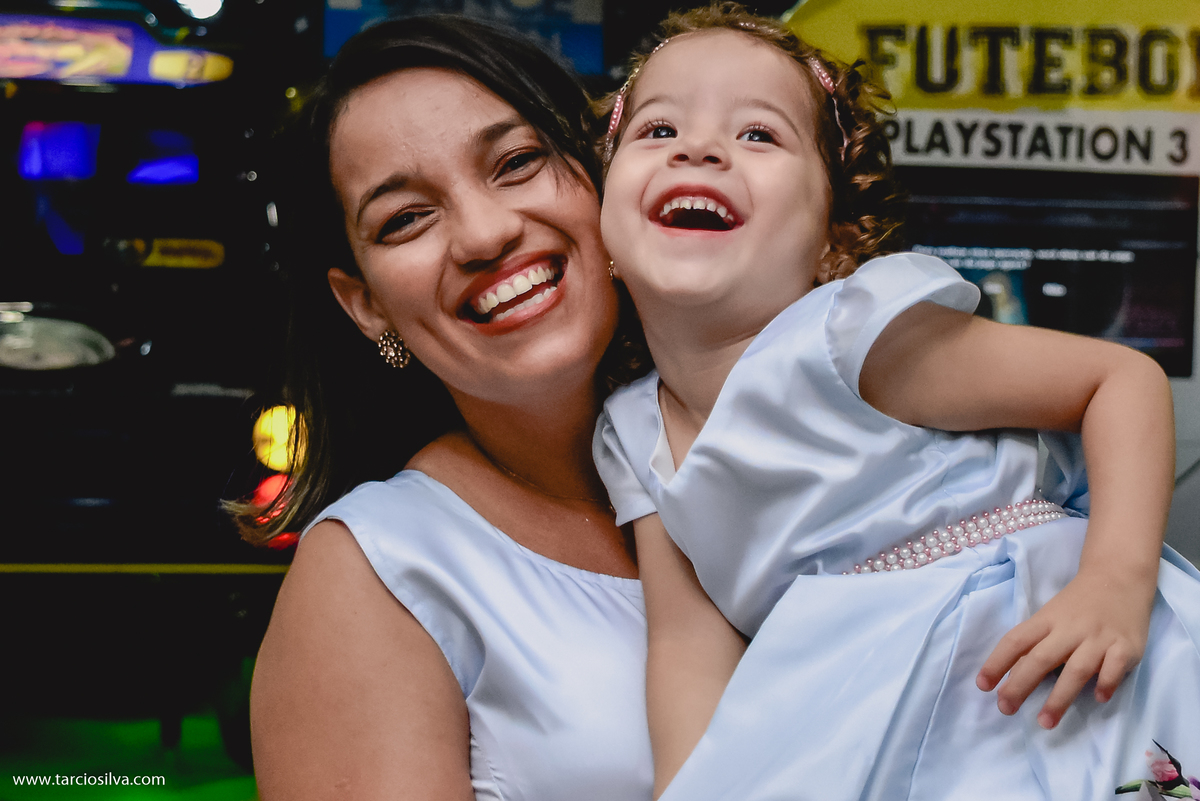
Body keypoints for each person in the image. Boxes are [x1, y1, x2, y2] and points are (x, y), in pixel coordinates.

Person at [593, 5, 1200, 799]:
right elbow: (684, 644)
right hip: (858, 701)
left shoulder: (853, 334)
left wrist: (1113, 582)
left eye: (759, 135)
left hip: (1036, 641)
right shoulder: (629, 429)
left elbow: (1119, 380)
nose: (699, 148)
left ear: (833, 242)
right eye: (658, 131)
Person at [243, 16, 656, 800]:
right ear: (366, 305)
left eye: (517, 162)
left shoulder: (757, 452)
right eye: (405, 218)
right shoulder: (375, 572)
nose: (485, 232)